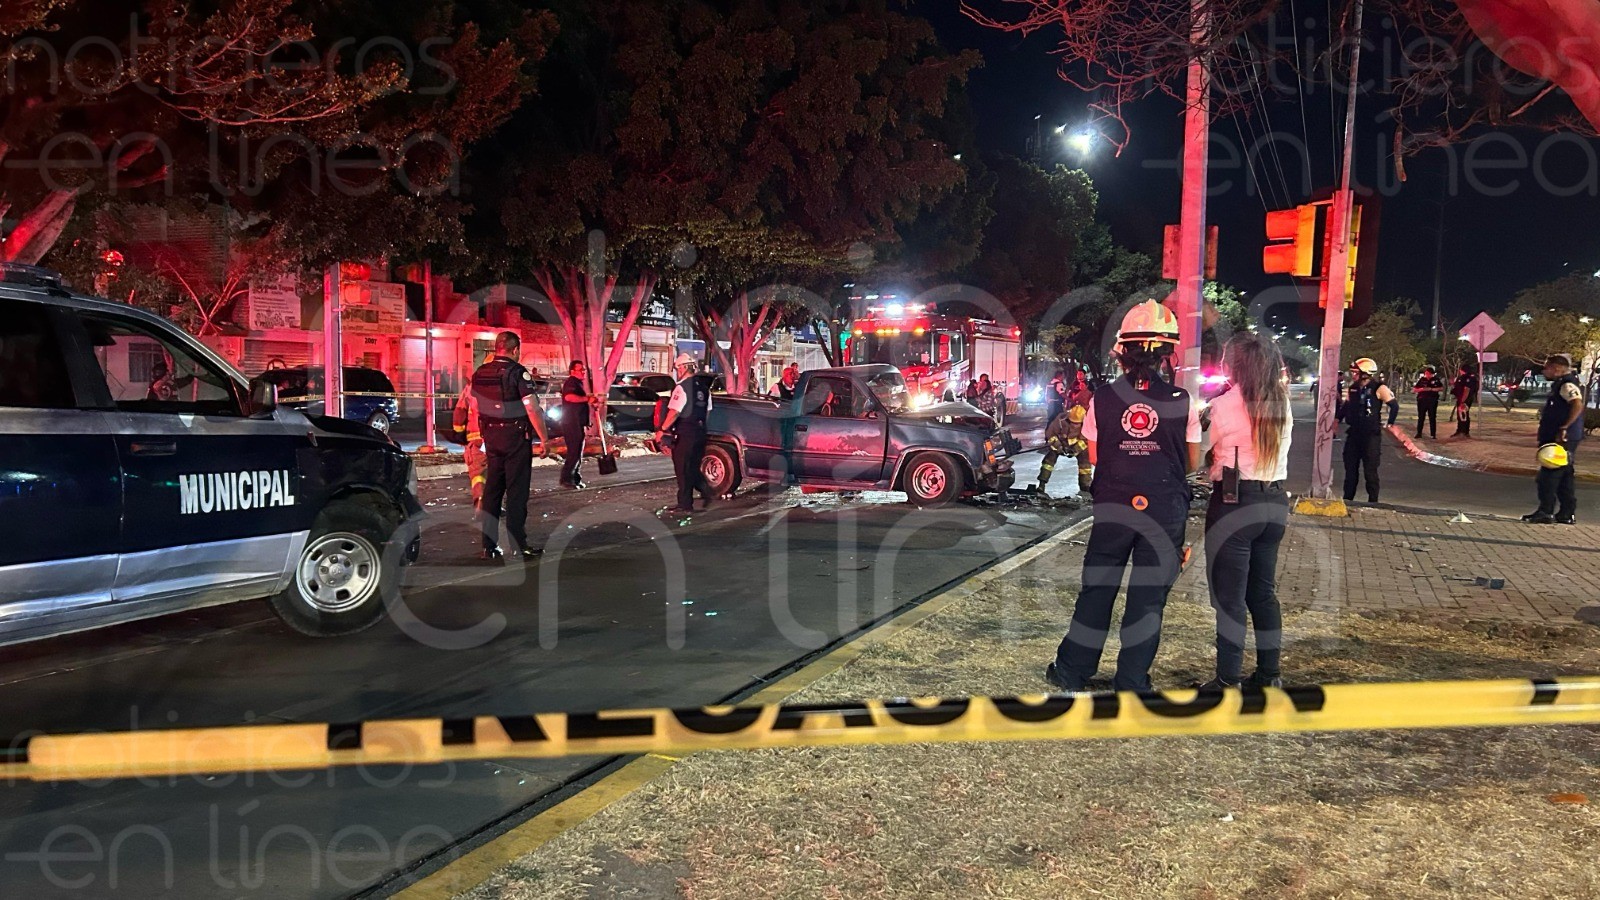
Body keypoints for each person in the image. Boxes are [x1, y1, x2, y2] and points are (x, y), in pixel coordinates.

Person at [1046, 300, 1202, 692]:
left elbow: (1096, 455)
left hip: (1114, 505)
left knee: (1098, 589)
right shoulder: (1184, 402)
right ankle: (1132, 680)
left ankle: (1072, 671)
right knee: (1148, 598)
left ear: (1122, 351)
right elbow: (1190, 461)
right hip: (1164, 507)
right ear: (1170, 353)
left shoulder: (1102, 398)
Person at [1198, 334, 1293, 690]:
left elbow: (1201, 453)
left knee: (1230, 597)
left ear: (1235, 366)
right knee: (1263, 594)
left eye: (1225, 359)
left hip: (1235, 504)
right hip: (1274, 503)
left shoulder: (1224, 406)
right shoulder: (1282, 402)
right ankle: (1270, 675)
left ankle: (1227, 678)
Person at [471, 331, 551, 559]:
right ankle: (518, 544)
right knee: (516, 493)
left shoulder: (480, 372)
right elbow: (532, 408)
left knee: (492, 492)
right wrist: (544, 439)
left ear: (497, 348)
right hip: (515, 438)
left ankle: (488, 546)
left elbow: (476, 406)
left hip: (491, 437)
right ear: (515, 350)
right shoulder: (518, 373)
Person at [1523, 353, 1585, 524]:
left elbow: (1577, 404)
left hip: (1561, 438)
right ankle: (1566, 513)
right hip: (1562, 437)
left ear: (1556, 369)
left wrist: (1564, 427)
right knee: (1565, 476)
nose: (1544, 371)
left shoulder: (1566, 385)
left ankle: (1545, 511)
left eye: (1547, 367)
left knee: (1548, 476)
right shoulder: (1561, 384)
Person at [656, 353, 716, 514]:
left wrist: (662, 430)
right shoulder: (704, 388)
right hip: (700, 432)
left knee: (682, 469)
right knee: (693, 467)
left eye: (677, 368)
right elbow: (708, 412)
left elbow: (674, 412)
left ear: (683, 368)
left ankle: (685, 504)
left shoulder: (681, 387)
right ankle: (706, 490)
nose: (677, 371)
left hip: (686, 433)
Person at [1336, 357, 1393, 503]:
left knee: (1370, 471)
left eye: (1356, 372)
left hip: (1371, 435)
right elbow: (1346, 406)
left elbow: (1394, 406)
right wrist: (1336, 420)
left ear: (1365, 373)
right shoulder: (1353, 388)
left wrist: (1390, 423)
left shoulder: (1379, 388)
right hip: (1354, 433)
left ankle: (1373, 501)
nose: (1353, 375)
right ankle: (1348, 500)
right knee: (1350, 470)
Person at [559, 360, 598, 488]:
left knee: (578, 451)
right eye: (580, 370)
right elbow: (569, 397)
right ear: (572, 371)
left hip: (577, 423)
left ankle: (575, 477)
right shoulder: (571, 383)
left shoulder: (578, 384)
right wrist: (587, 398)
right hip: (571, 423)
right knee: (574, 452)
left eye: (584, 370)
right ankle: (567, 478)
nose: (583, 372)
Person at [451, 383, 488, 511]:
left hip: (475, 438)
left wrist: (459, 431)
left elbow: (460, 411)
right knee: (497, 474)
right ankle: (495, 505)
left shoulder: (471, 387)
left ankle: (480, 503)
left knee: (478, 474)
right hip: (499, 439)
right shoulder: (507, 382)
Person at [1414, 365, 1444, 439]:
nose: (1429, 375)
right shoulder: (1422, 380)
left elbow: (1441, 388)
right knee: (1421, 417)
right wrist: (1422, 389)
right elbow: (1415, 389)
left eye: (1430, 373)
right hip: (1422, 400)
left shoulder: (1436, 380)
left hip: (1432, 400)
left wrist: (1431, 389)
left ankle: (1433, 434)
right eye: (1428, 373)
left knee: (1432, 417)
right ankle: (1419, 433)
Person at [1451, 365, 1479, 437]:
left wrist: (1463, 401)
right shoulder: (1462, 377)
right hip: (1461, 398)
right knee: (1460, 415)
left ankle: (1465, 431)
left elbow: (1467, 390)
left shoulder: (1469, 378)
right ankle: (1460, 430)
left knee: (1464, 415)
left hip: (1465, 399)